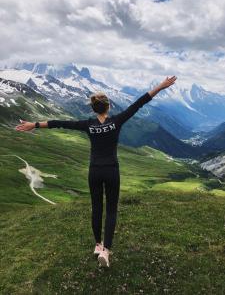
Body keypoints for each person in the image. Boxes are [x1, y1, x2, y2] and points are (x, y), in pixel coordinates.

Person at [16, 75, 177, 267]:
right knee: (111, 211)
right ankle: (106, 252)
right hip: (111, 171)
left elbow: (58, 123)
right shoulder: (117, 121)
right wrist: (161, 86)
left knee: (97, 208)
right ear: (108, 107)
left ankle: (98, 245)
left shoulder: (88, 125)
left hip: (94, 171)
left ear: (93, 108)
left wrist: (33, 125)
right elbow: (140, 102)